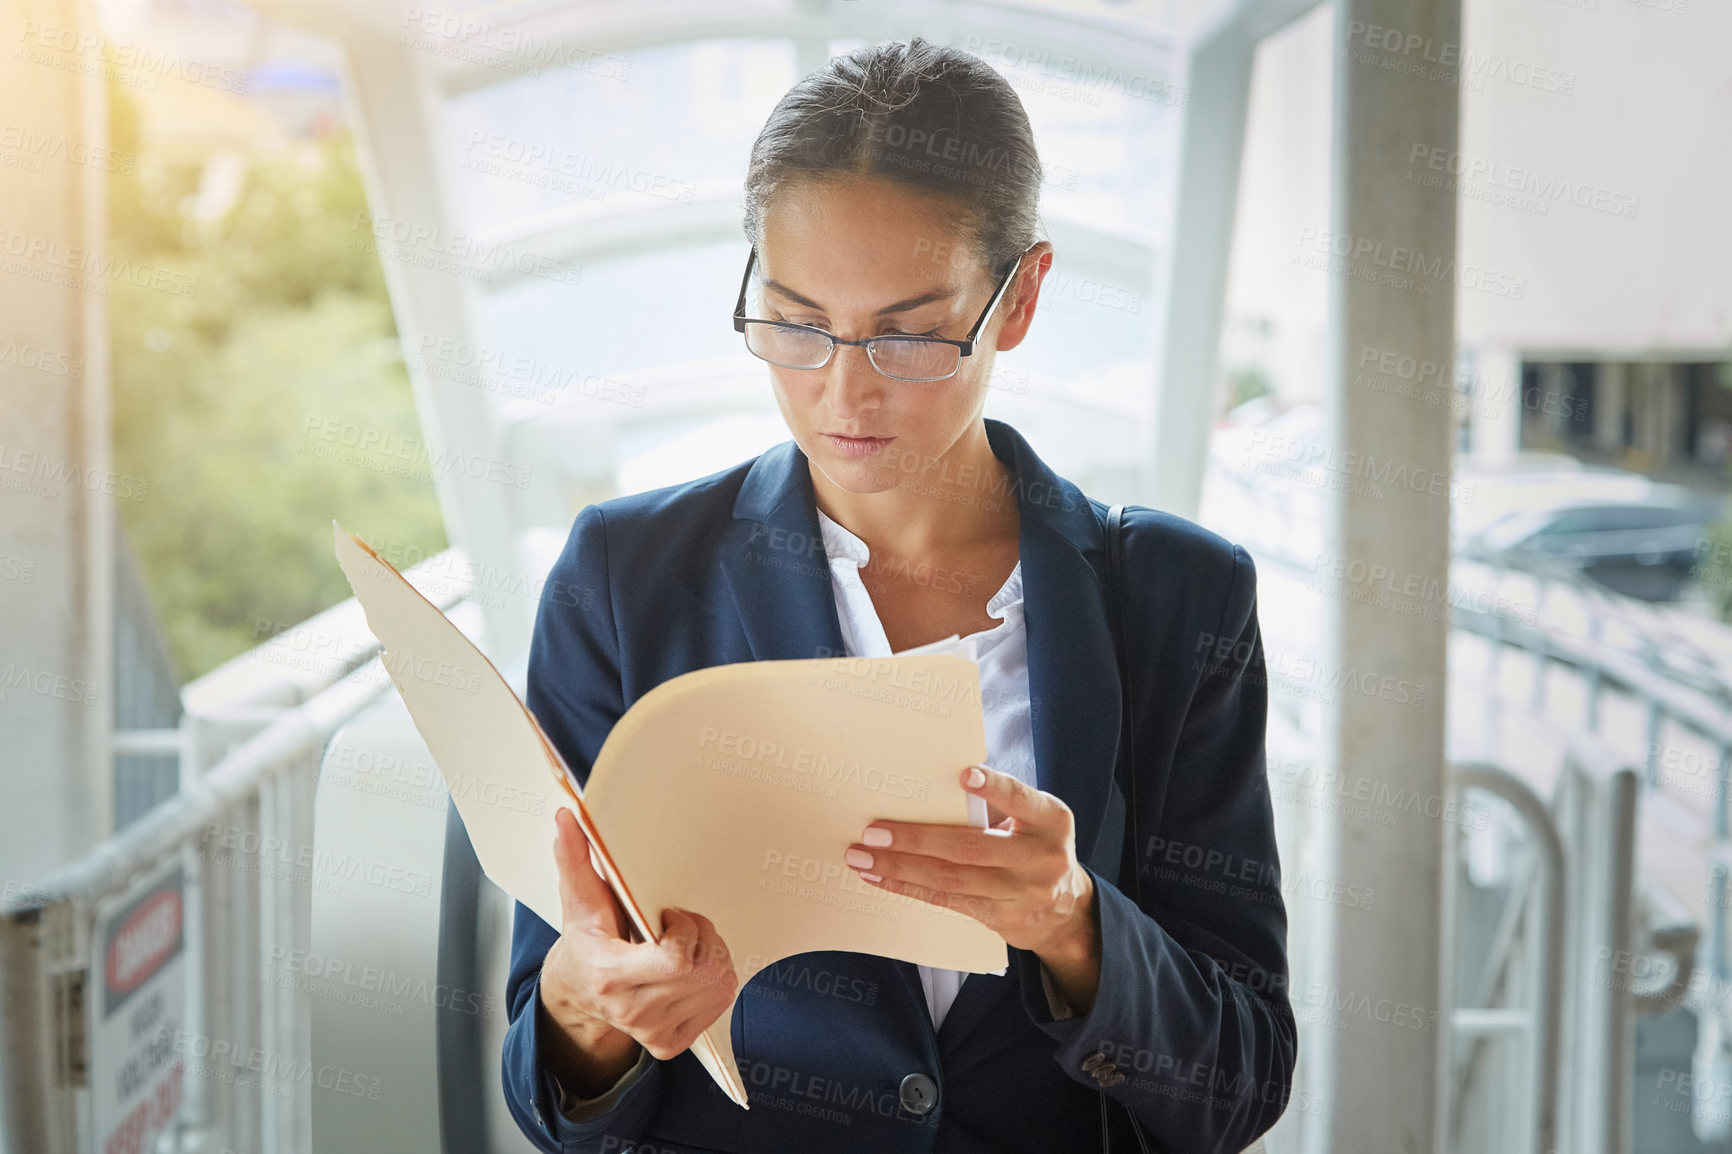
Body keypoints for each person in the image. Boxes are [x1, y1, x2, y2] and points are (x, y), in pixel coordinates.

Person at [502, 36, 1295, 1154]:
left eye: (911, 334)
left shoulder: (1177, 598)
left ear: (1017, 297)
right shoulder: (626, 580)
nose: (843, 389)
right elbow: (545, 1080)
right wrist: (591, 1008)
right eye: (793, 321)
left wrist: (1075, 925)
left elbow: (1241, 1080)